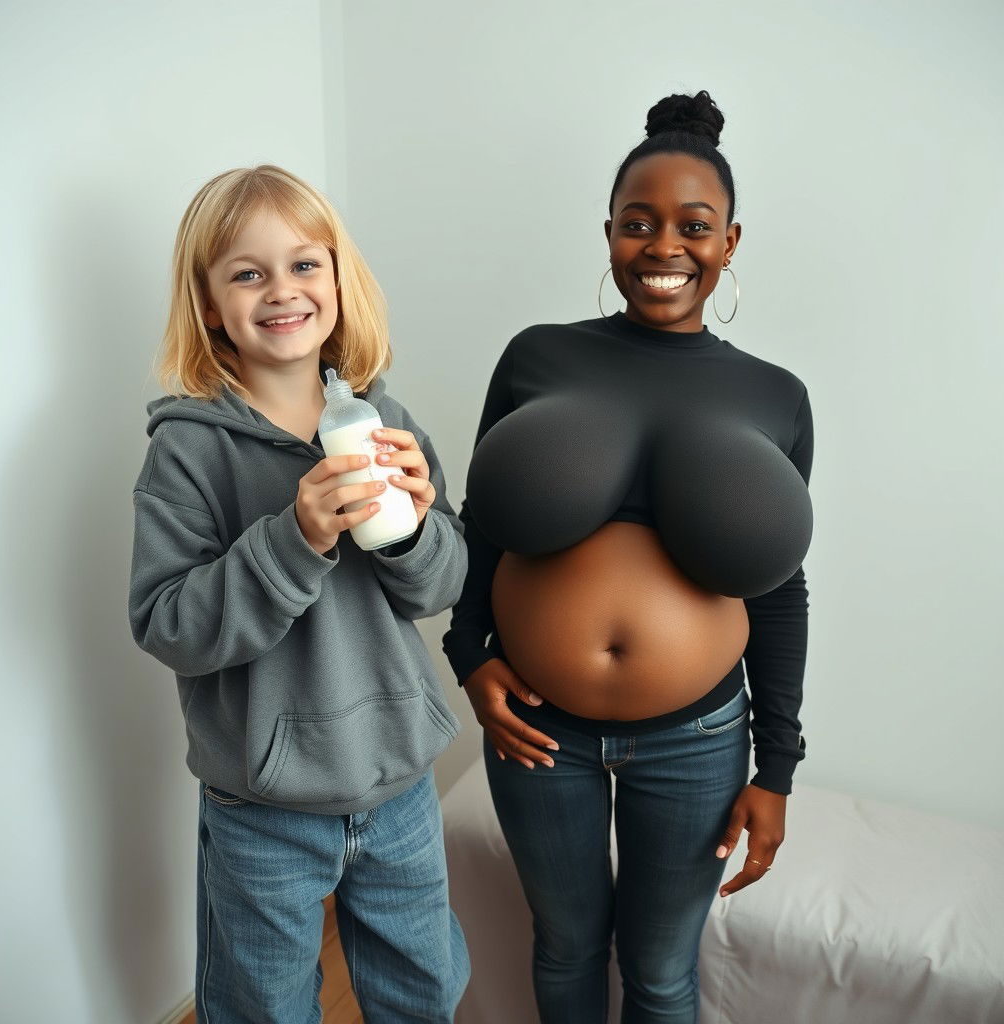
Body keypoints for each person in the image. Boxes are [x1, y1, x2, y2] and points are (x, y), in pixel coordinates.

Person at [442, 91, 814, 1023]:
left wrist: (777, 769)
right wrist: (471, 657)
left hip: (697, 740)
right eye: (638, 223)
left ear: (730, 242)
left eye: (695, 226)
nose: (663, 247)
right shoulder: (537, 356)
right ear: (608, 232)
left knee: (658, 973)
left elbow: (777, 588)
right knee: (564, 948)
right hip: (538, 727)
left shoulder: (776, 397)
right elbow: (481, 525)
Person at [128, 164, 470, 1023]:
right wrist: (297, 536)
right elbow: (168, 622)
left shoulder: (381, 419)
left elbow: (442, 583)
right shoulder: (188, 452)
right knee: (262, 1007)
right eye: (247, 272)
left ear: (338, 281)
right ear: (210, 304)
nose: (282, 289)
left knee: (424, 991)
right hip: (264, 808)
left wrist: (422, 527)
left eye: (304, 264)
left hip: (396, 787)